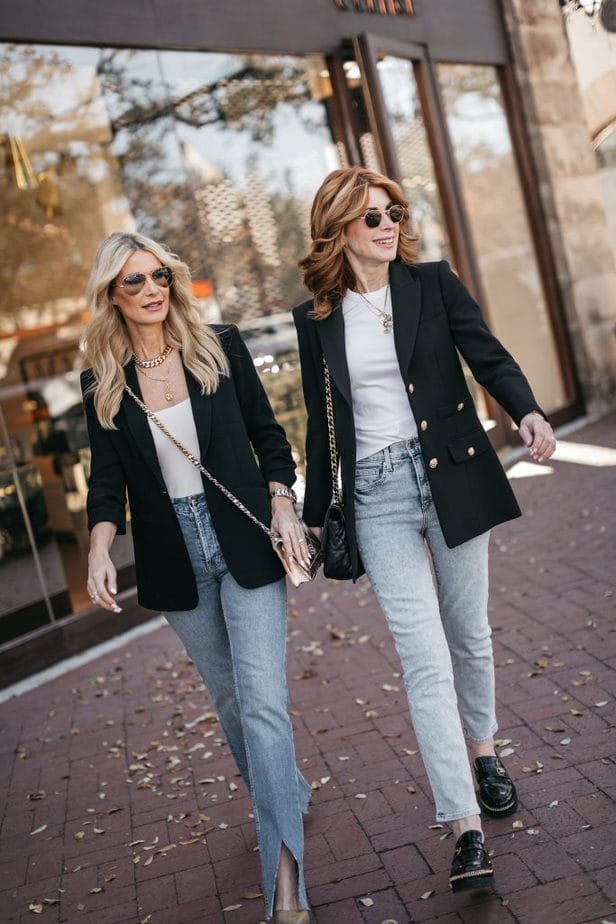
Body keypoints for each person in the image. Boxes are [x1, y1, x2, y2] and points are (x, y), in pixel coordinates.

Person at [293, 167, 556, 893]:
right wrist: (317, 518)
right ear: (340, 228)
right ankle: (464, 826)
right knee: (423, 657)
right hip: (376, 496)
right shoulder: (316, 318)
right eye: (372, 216)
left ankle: (485, 750)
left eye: (395, 212)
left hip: (453, 476)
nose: (388, 225)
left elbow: (487, 354)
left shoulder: (432, 283)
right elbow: (324, 425)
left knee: (467, 631)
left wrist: (524, 410)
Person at [81, 231, 311, 924]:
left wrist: (282, 503)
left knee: (264, 701)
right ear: (111, 297)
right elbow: (108, 480)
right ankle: (284, 794)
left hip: (245, 537)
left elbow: (270, 437)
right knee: (233, 703)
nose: (152, 290)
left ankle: (286, 877)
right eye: (134, 282)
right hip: (173, 553)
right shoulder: (103, 379)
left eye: (159, 276)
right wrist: (98, 549)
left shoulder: (221, 345)